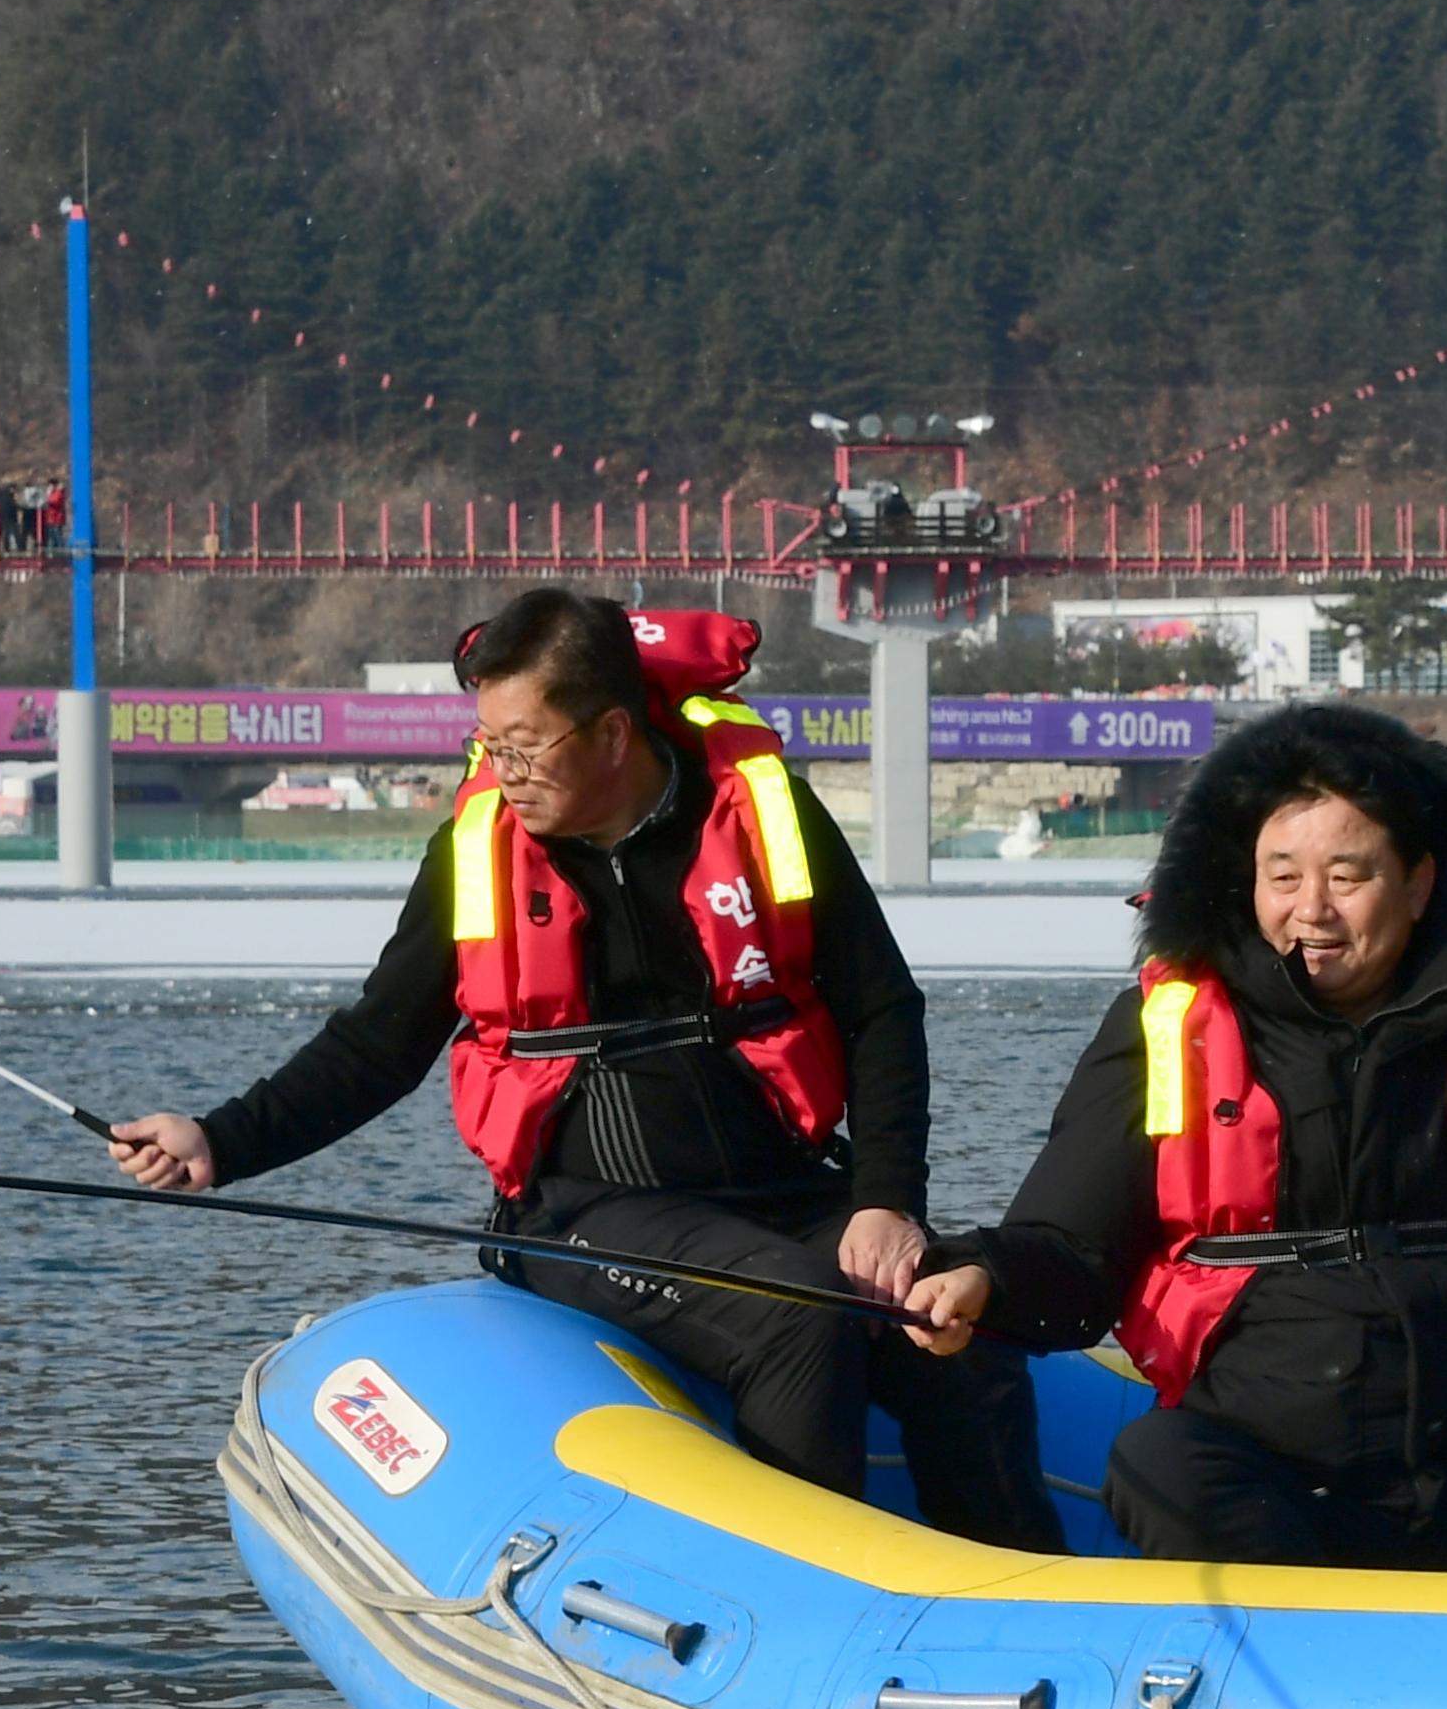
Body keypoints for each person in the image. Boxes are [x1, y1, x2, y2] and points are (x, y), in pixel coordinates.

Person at [106, 586, 1061, 1549]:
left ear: (612, 733)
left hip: (784, 1190)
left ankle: (1032, 1590)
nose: (503, 772)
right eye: (490, 746)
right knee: (797, 1325)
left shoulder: (764, 815)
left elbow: (882, 1011)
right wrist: (218, 1140)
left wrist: (886, 1200)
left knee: (955, 1328)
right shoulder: (478, 851)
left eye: (525, 746)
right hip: (586, 1212)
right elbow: (374, 1048)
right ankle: (827, 1606)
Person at [900, 704, 1447, 1577]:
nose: (1312, 910)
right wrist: (983, 1277)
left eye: (1348, 875)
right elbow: (1072, 1243)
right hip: (1266, 1481)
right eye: (1282, 877)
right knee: (1157, 1465)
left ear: (1417, 884)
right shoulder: (1166, 1026)